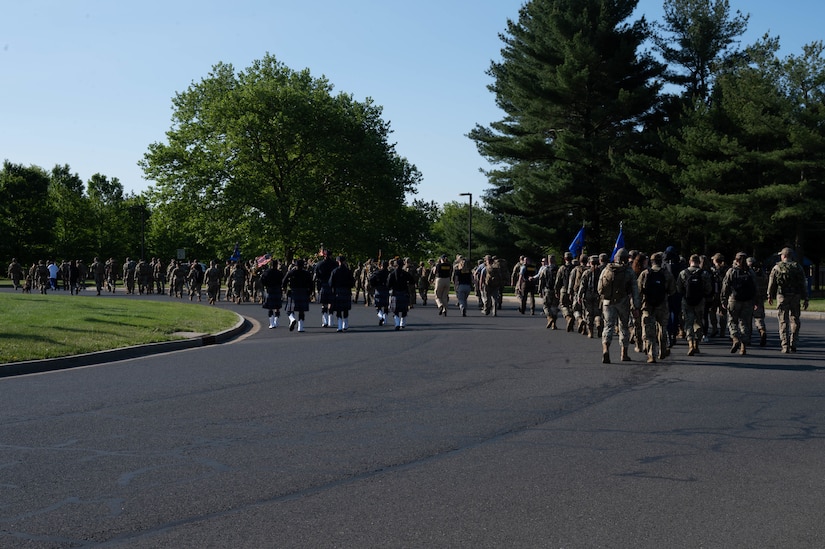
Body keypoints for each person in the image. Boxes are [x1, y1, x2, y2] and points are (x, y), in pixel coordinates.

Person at [597, 248, 640, 363]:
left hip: (607, 302)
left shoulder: (607, 268)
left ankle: (606, 349)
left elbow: (599, 287)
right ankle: (623, 353)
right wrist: (636, 306)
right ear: (626, 259)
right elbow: (635, 290)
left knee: (608, 326)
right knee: (623, 327)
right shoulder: (628, 271)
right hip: (622, 301)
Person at [767, 247, 809, 353]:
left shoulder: (777, 267)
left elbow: (772, 283)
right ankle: (793, 342)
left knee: (783, 320)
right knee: (795, 319)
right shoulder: (798, 267)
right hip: (795, 296)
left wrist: (769, 295)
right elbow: (803, 283)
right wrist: (806, 298)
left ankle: (785, 345)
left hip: (782, 296)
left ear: (784, 256)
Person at [638, 252, 675, 363]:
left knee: (649, 330)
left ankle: (651, 354)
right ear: (661, 261)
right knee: (662, 328)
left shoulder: (645, 273)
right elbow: (672, 290)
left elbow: (638, 290)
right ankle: (662, 350)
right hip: (662, 305)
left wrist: (636, 305)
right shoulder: (666, 274)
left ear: (651, 261)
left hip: (647, 305)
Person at [720, 252, 757, 355]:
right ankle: (743, 346)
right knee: (744, 323)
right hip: (748, 301)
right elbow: (755, 287)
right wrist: (755, 300)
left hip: (734, 299)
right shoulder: (750, 272)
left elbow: (725, 286)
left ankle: (735, 338)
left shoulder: (731, 271)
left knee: (732, 321)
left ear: (736, 260)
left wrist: (723, 299)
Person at [676, 254, 713, 356]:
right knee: (698, 322)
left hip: (687, 301)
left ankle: (690, 343)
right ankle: (696, 343)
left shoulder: (683, 273)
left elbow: (678, 288)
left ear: (690, 261)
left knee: (688, 322)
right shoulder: (704, 273)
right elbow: (709, 289)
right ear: (698, 262)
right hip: (700, 301)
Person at [282, 259, 313, 332]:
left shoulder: (291, 272)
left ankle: (292, 319)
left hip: (293, 291)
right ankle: (300, 327)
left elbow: (284, 282)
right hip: (303, 292)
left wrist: (284, 289)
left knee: (289, 310)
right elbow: (311, 284)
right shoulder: (307, 273)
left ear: (295, 265)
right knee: (301, 311)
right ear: (303, 266)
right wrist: (310, 293)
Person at [576, 255, 603, 339]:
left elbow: (582, 285)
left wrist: (579, 296)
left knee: (589, 314)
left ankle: (590, 332)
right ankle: (598, 324)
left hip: (588, 295)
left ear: (590, 263)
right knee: (598, 313)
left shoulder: (586, 272)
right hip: (597, 295)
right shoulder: (601, 272)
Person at [329, 255, 355, 332]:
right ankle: (345, 324)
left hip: (338, 291)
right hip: (346, 291)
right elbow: (352, 283)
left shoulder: (335, 271)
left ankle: (340, 326)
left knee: (339, 310)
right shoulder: (348, 271)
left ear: (338, 261)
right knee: (346, 309)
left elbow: (330, 283)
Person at [388, 257, 415, 329]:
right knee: (404, 309)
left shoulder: (392, 274)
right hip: (404, 293)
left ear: (395, 265)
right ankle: (402, 323)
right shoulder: (406, 274)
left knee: (395, 310)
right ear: (403, 265)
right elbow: (412, 281)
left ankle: (397, 323)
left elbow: (388, 284)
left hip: (395, 293)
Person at [747, 256, 769, 347]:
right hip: (759, 298)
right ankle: (762, 330)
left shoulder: (748, 273)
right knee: (759, 318)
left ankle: (747, 339)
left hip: (749, 298)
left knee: (747, 320)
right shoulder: (761, 273)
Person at [314, 249, 337, 328]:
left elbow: (316, 276)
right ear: (330, 255)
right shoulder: (335, 264)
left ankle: (325, 321)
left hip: (323, 285)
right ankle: (331, 320)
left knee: (324, 304)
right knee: (331, 303)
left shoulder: (319, 264)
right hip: (332, 285)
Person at [555, 252, 576, 331]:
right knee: (573, 307)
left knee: (563, 305)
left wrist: (556, 290)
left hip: (564, 289)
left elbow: (558, 280)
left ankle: (568, 317)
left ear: (565, 259)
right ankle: (572, 321)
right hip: (573, 291)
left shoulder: (562, 268)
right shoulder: (575, 268)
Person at [538, 254, 560, 329]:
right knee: (554, 307)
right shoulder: (558, 269)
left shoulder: (545, 269)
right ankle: (554, 324)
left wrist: (540, 290)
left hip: (548, 289)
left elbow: (541, 280)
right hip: (556, 290)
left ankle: (549, 317)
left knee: (546, 305)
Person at [369, 260, 391, 326]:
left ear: (381, 265)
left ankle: (380, 316)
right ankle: (385, 319)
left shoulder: (377, 273)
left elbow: (371, 279)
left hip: (378, 290)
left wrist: (374, 286)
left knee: (378, 306)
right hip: (386, 290)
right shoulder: (389, 273)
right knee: (386, 306)